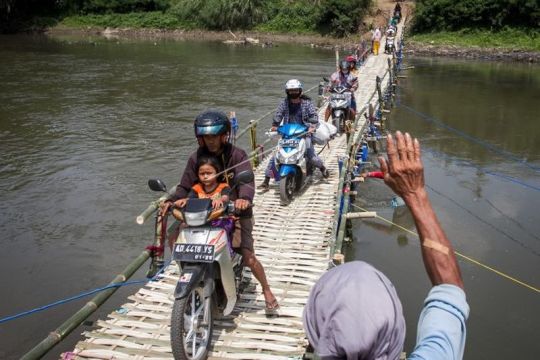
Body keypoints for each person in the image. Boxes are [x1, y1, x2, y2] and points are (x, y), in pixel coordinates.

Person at [303, 131, 469, 359]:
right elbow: (450, 287)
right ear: (396, 336)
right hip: (403, 200)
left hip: (399, 202)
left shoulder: (393, 226)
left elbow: (451, 291)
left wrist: (407, 194)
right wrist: (415, 193)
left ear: (313, 337)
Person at [163, 110, 279, 311]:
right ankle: (188, 271)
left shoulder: (237, 155)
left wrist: (243, 199)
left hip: (232, 213)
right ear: (201, 137)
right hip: (202, 213)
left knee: (247, 254)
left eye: (215, 136)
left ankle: (267, 290)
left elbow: (247, 182)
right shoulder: (196, 158)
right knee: (173, 237)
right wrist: (171, 200)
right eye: (207, 136)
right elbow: (184, 185)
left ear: (224, 135)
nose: (211, 141)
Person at [258, 79, 330, 191]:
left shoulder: (307, 103)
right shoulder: (284, 103)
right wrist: (275, 124)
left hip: (304, 133)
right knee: (276, 156)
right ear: (287, 92)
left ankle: (322, 168)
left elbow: (314, 116)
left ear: (300, 90)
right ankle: (266, 181)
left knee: (311, 156)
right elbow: (278, 114)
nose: (293, 93)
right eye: (291, 91)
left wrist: (312, 126)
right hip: (288, 134)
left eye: (295, 90)